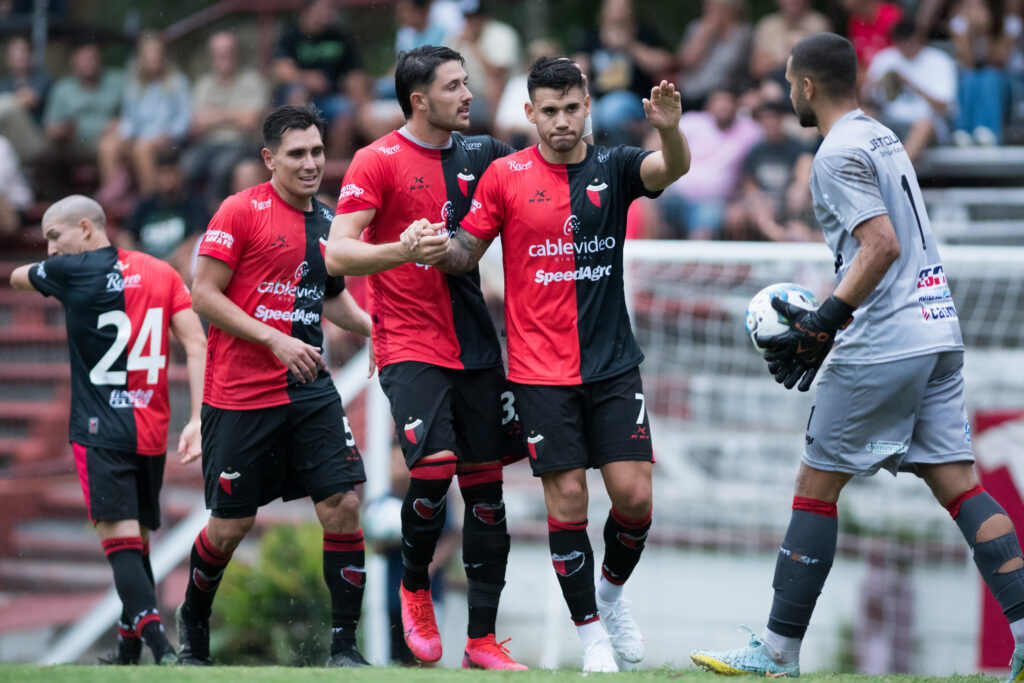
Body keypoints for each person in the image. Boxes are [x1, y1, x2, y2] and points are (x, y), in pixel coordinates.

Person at [689, 32, 1024, 679]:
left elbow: (881, 244)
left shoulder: (834, 151)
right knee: (960, 484)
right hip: (937, 327)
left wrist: (824, 322)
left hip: (885, 339)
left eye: (790, 84)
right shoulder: (882, 136)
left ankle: (777, 652)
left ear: (808, 86)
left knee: (816, 486)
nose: (789, 94)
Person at [400, 57, 690, 673]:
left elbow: (674, 167)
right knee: (566, 502)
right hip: (537, 372)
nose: (561, 121)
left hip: (612, 365)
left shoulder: (615, 165)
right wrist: (433, 248)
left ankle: (609, 596)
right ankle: (591, 639)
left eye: (571, 109)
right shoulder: (505, 177)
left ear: (587, 107)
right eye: (548, 111)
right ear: (530, 114)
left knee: (635, 498)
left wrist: (668, 128)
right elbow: (467, 251)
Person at [325, 45, 527, 671]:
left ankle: (482, 641)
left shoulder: (485, 154)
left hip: (476, 345)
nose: (468, 95)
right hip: (409, 341)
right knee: (433, 467)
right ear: (419, 99)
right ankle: (415, 587)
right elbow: (336, 254)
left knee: (487, 491)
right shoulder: (376, 159)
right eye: (454, 86)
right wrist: (401, 249)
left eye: (467, 83)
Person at [176, 104, 372, 668]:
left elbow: (328, 294)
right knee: (231, 525)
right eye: (297, 154)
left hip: (309, 388)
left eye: (316, 151)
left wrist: (376, 329)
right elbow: (204, 295)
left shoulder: (327, 221)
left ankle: (344, 648)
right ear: (269, 159)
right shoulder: (239, 211)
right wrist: (274, 340)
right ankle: (193, 623)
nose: (311, 163)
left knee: (343, 504)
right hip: (240, 393)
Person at [8, 194, 207, 665]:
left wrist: (43, 271)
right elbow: (196, 341)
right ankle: (127, 647)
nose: (51, 249)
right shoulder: (161, 272)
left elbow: (18, 278)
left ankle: (160, 645)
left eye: (55, 237)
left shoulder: (66, 272)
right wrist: (198, 417)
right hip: (152, 428)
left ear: (86, 227)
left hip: (99, 431)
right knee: (136, 541)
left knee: (119, 543)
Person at [182, 31, 269, 214]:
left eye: (228, 51)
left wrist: (214, 116)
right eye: (218, 52)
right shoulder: (204, 84)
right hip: (208, 144)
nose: (223, 57)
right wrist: (233, 114)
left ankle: (215, 215)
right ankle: (190, 217)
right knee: (186, 165)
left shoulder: (252, 81)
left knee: (221, 166)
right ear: (211, 56)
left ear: (237, 54)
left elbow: (250, 121)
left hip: (242, 143)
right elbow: (198, 122)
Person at [97, 31, 191, 200]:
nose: (152, 58)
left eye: (156, 53)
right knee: (108, 145)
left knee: (142, 148)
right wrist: (122, 134)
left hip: (167, 139)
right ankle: (113, 196)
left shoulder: (177, 82)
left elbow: (184, 118)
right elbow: (130, 119)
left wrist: (170, 133)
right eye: (148, 54)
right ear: (141, 58)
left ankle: (150, 199)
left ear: (163, 56)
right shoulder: (134, 85)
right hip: (140, 137)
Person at [272, 0, 369, 158]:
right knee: (298, 98)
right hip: (299, 97)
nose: (327, 13)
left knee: (346, 112)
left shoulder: (340, 36)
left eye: (330, 8)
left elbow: (354, 74)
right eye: (322, 9)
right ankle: (300, 159)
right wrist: (307, 78)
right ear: (307, 11)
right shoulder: (291, 34)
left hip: (332, 99)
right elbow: (280, 70)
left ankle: (330, 169)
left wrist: (360, 100)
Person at [574, 0, 674, 146]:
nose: (617, 15)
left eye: (622, 9)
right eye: (613, 9)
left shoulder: (643, 33)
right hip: (596, 99)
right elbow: (578, 66)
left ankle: (623, 157)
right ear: (604, 12)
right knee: (582, 114)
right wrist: (580, 66)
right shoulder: (593, 36)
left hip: (636, 100)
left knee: (612, 110)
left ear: (631, 12)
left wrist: (630, 46)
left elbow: (665, 63)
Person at [862, 18, 957, 162]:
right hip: (889, 121)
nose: (904, 47)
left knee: (923, 125)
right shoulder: (885, 58)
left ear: (918, 39)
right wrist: (875, 86)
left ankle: (901, 169)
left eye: (908, 42)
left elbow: (944, 107)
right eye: (900, 43)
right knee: (864, 115)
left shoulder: (940, 61)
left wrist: (911, 84)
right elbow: (865, 100)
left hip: (927, 126)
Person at [42, 41, 123, 193]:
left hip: (111, 139)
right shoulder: (63, 89)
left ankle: (113, 197)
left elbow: (132, 112)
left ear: (100, 60)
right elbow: (50, 129)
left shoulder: (117, 82)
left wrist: (121, 122)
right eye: (83, 59)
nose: (89, 63)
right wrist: (62, 130)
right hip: (75, 143)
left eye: (92, 58)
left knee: (110, 145)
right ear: (74, 62)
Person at [119, 146, 208, 281]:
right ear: (156, 176)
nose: (168, 179)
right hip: (145, 265)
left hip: (176, 264)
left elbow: (197, 238)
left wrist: (166, 263)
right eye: (163, 174)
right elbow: (124, 235)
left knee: (188, 264)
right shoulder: (145, 204)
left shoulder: (193, 204)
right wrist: (136, 259)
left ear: (180, 174)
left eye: (171, 173)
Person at [949, 0, 1021, 146]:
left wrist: (986, 32)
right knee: (969, 77)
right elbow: (968, 62)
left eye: (980, 6)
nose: (976, 11)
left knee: (989, 75)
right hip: (974, 77)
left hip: (1006, 80)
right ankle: (964, 131)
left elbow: (998, 60)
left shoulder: (1011, 23)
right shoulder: (959, 24)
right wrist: (971, 31)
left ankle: (988, 130)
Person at [676, 0, 752, 111]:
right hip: (688, 93)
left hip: (723, 94)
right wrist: (703, 36)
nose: (709, 12)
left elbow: (731, 69)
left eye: (717, 8)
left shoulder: (742, 35)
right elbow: (685, 62)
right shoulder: (697, 28)